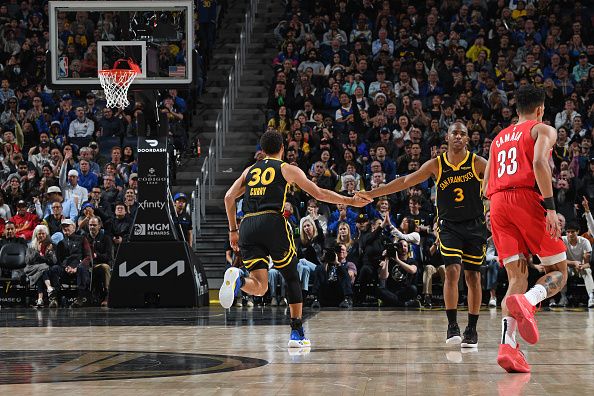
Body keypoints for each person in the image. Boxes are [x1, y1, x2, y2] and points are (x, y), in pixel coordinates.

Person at [220, 131, 370, 348]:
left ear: (261, 150)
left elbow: (228, 197)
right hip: (272, 221)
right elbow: (318, 193)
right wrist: (349, 201)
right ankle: (297, 333)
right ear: (282, 148)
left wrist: (233, 230)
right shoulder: (286, 168)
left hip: (248, 225)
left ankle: (239, 280)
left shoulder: (250, 171)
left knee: (260, 286)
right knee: (291, 276)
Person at [357, 122, 487, 348]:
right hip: (449, 226)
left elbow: (501, 181)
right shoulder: (437, 164)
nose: (458, 137)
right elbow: (405, 181)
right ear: (447, 137)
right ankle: (452, 325)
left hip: (475, 225)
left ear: (468, 139)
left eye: (462, 134)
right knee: (453, 271)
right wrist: (372, 193)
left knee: (473, 277)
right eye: (454, 133)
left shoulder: (478, 163)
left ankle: (472, 329)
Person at [484, 84, 568, 373]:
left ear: (515, 108)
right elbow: (539, 163)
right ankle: (530, 302)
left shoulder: (497, 139)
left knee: (516, 277)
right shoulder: (543, 130)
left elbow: (485, 186)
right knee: (559, 272)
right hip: (525, 199)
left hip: (497, 205)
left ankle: (508, 347)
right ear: (541, 109)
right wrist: (551, 209)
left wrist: (494, 212)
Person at [24, 225, 56, 308]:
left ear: (46, 234)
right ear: (36, 235)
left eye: (43, 233)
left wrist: (50, 252)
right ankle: (49, 288)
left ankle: (40, 299)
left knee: (41, 272)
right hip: (31, 268)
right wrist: (36, 251)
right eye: (39, 234)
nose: (41, 235)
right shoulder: (30, 246)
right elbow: (27, 261)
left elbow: (54, 261)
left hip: (42, 271)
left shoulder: (50, 245)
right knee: (43, 267)